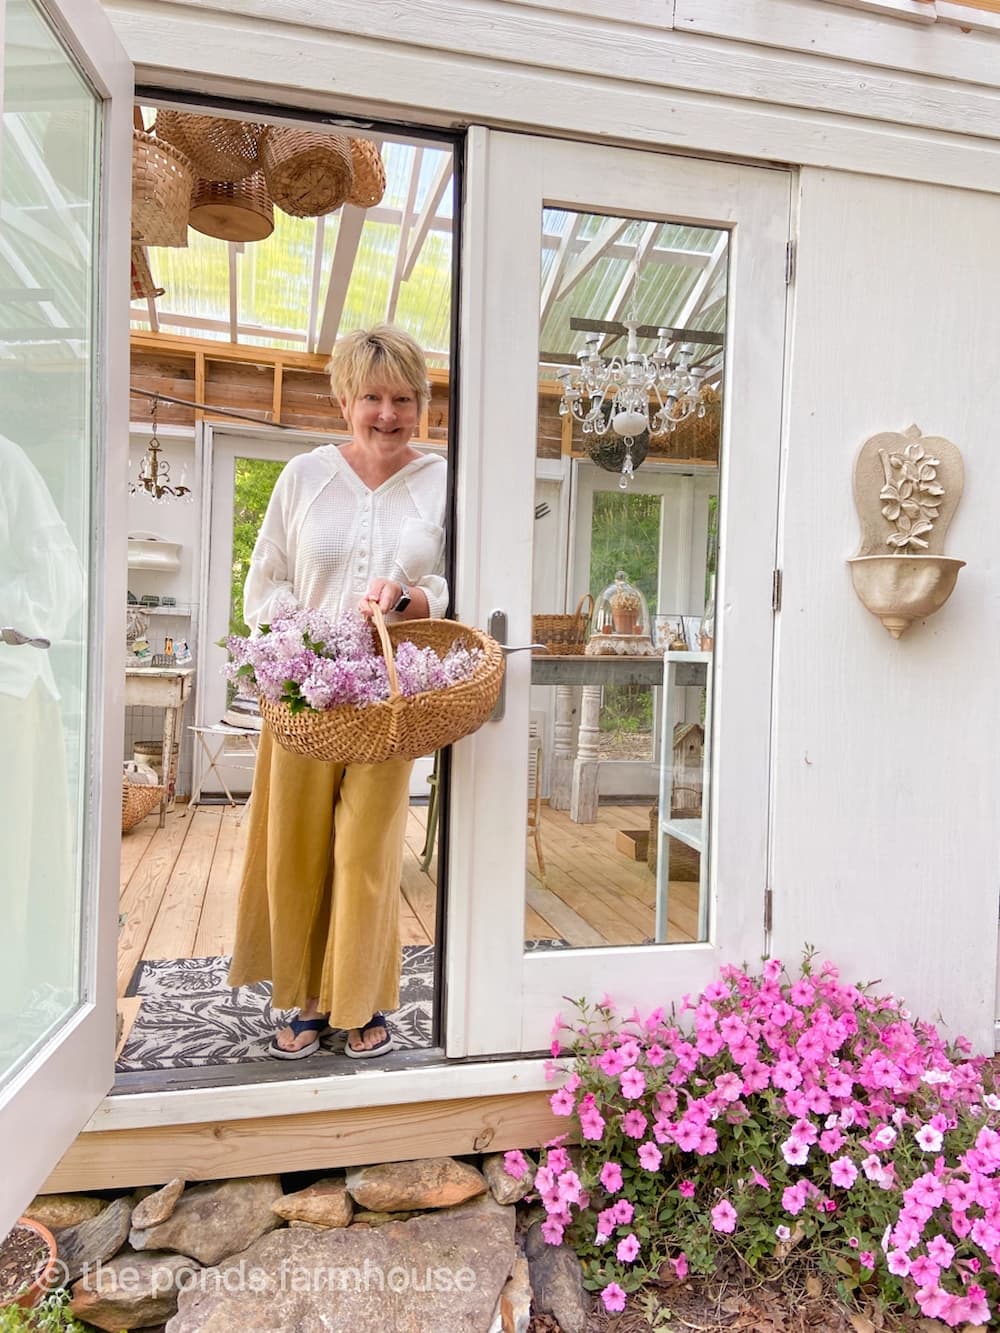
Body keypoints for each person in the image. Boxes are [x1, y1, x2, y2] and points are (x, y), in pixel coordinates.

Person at [227, 326, 448, 1059]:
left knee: (363, 851)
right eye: (373, 397)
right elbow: (266, 579)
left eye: (404, 398)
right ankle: (302, 994)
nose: (387, 413)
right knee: (296, 845)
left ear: (423, 403)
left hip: (390, 695)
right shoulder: (305, 475)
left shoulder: (443, 480)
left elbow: (455, 585)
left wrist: (411, 601)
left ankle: (356, 997)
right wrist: (305, 640)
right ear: (346, 399)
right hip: (302, 692)